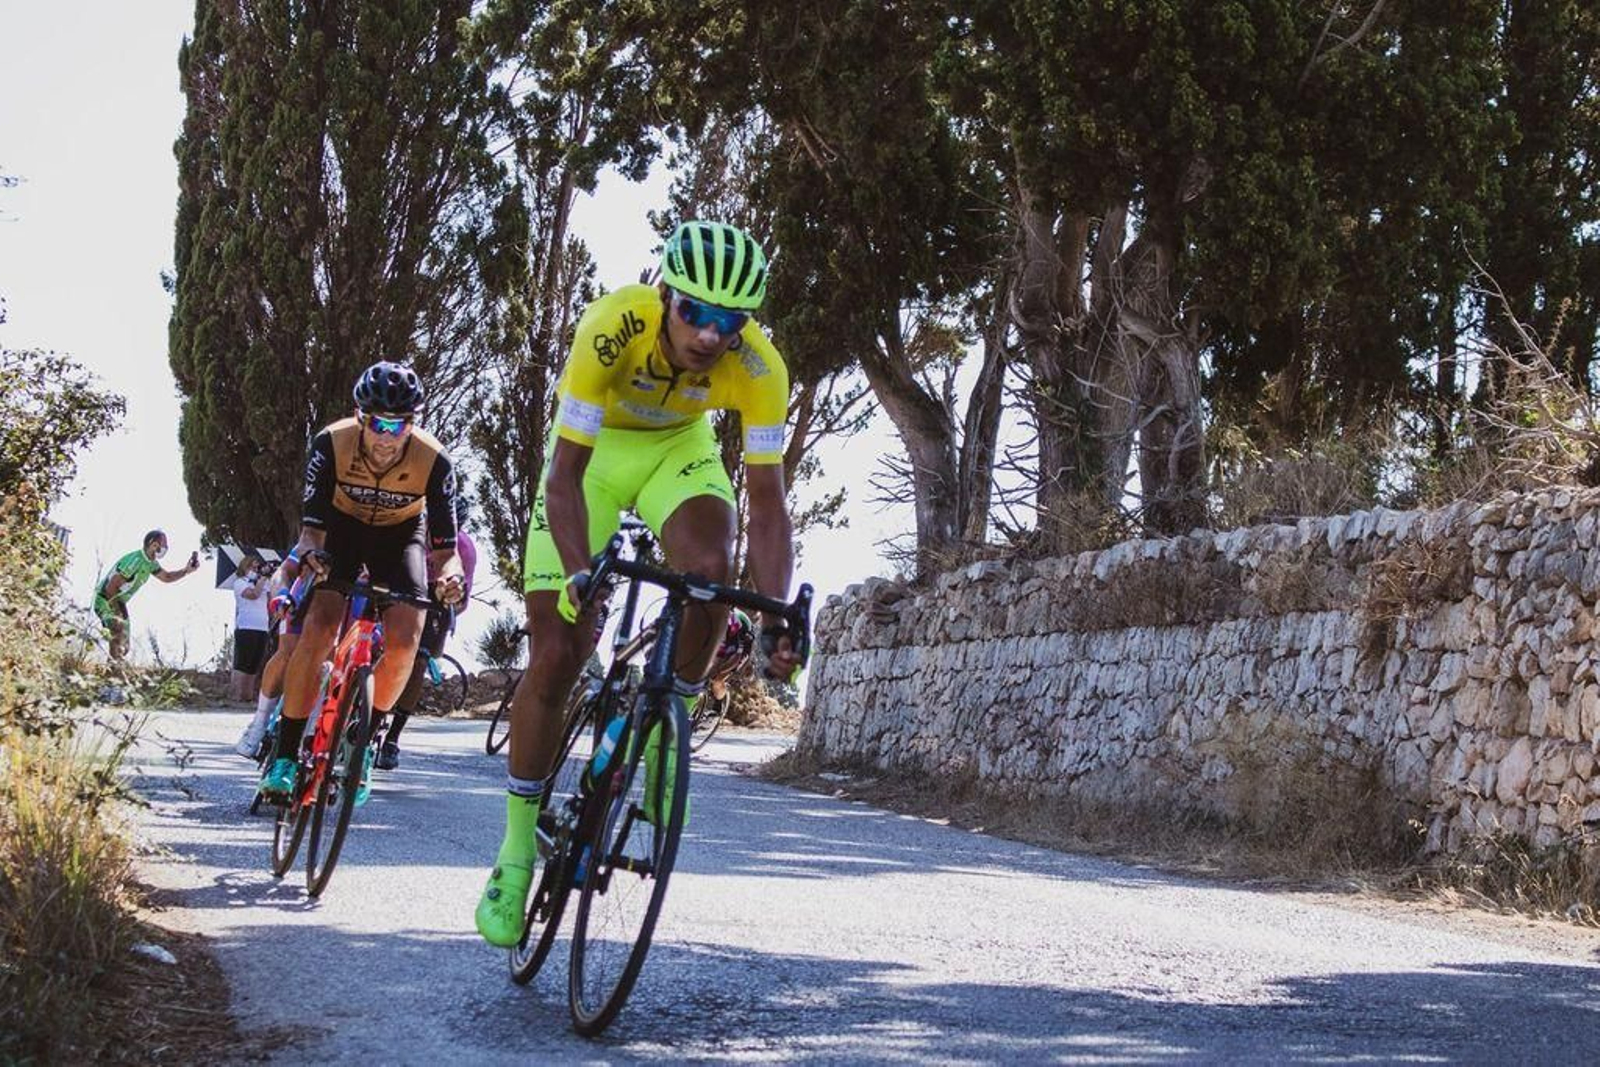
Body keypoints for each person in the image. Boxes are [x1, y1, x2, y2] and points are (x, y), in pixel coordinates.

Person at [474, 220, 804, 946]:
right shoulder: (610, 326)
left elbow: (768, 504)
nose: (712, 335)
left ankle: (667, 725)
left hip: (676, 452)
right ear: (664, 294)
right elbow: (563, 475)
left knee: (713, 575)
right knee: (559, 651)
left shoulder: (761, 368)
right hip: (592, 461)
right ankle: (517, 851)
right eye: (695, 313)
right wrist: (579, 570)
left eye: (731, 321)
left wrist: (778, 613)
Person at [258, 362, 465, 803]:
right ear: (359, 416)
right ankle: (287, 756)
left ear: (414, 423)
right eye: (378, 423)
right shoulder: (330, 444)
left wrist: (450, 579)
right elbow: (311, 533)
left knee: (406, 639)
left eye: (400, 425)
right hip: (341, 530)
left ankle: (363, 741)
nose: (388, 437)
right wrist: (313, 558)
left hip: (400, 536)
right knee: (319, 627)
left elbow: (446, 552)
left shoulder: (436, 460)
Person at [376, 528, 478, 770]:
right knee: (380, 646)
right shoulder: (410, 529)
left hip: (438, 596)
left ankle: (392, 739)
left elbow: (461, 602)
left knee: (419, 661)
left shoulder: (464, 547)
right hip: (403, 581)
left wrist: (440, 631)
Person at [232, 556, 312, 758]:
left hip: (339, 594)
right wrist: (283, 593)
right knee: (286, 651)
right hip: (303, 594)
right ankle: (259, 724)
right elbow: (282, 572)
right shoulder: (241, 583)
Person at [92, 530, 201, 661]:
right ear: (154, 545)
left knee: (124, 646)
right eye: (163, 545)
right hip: (106, 598)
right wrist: (117, 613)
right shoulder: (136, 560)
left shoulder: (151, 564)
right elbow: (111, 587)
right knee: (117, 632)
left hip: (119, 602)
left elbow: (166, 577)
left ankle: (113, 667)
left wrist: (186, 571)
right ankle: (114, 669)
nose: (165, 549)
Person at [229, 557, 271, 702]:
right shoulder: (239, 583)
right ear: (244, 568)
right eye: (252, 568)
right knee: (242, 663)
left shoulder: (263, 584)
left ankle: (246, 696)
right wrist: (262, 580)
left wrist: (265, 579)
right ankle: (235, 695)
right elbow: (253, 595)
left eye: (257, 568)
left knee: (254, 664)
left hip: (262, 628)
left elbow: (271, 598)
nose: (255, 570)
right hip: (246, 627)